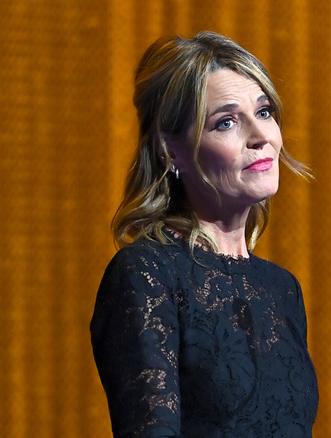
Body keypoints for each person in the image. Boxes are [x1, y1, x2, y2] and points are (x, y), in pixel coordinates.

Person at [90, 31, 318, 437]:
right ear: (171, 150)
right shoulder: (146, 274)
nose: (261, 137)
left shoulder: (282, 290)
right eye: (226, 122)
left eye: (264, 112)